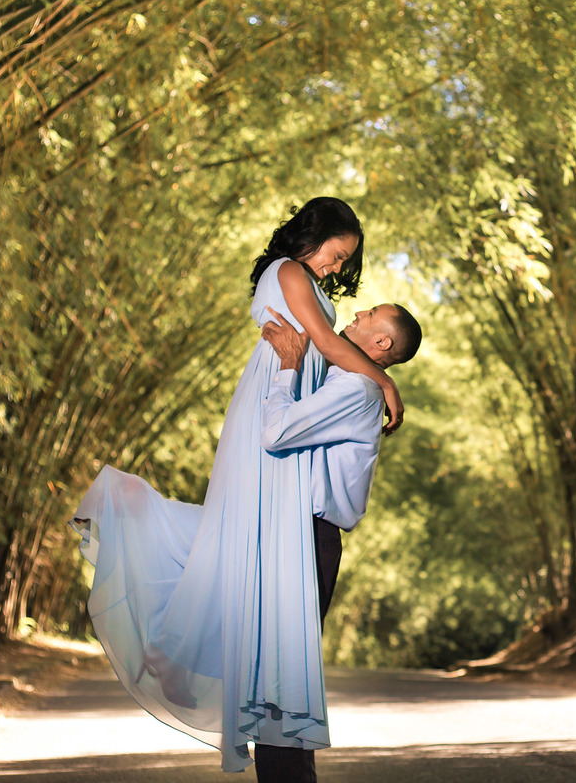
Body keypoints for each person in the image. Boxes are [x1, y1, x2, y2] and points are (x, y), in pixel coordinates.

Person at [71, 197, 405, 773]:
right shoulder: (288, 271)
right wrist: (385, 382)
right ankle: (177, 657)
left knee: (240, 566)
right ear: (314, 236)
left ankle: (183, 664)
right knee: (243, 564)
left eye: (344, 262)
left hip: (285, 412)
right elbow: (326, 345)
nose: (336, 268)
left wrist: (365, 375)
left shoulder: (319, 299)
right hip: (273, 410)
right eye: (336, 254)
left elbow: (328, 348)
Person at [252, 302, 422, 783]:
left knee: (282, 679)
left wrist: (287, 365)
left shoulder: (356, 387)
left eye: (369, 313)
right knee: (273, 674)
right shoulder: (354, 379)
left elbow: (276, 432)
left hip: (309, 538)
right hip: (295, 532)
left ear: (382, 343)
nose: (356, 311)